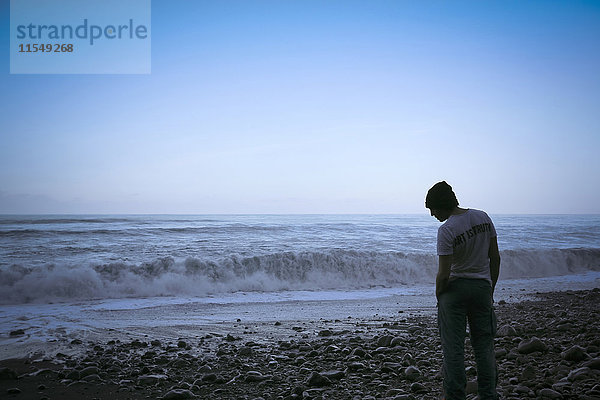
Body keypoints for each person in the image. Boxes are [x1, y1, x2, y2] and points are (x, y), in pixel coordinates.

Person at [425, 181, 500, 400]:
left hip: (455, 291)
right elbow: (494, 257)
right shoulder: (483, 217)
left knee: (454, 348)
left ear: (441, 204)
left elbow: (444, 274)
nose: (432, 215)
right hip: (481, 288)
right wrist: (490, 287)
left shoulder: (447, 229)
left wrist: (439, 295)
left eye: (433, 209)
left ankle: (455, 395)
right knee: (484, 345)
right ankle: (488, 394)